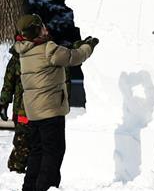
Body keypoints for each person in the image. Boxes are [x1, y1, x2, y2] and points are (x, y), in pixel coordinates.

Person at [14, 14, 99, 191]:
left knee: (37, 152)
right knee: (53, 152)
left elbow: (62, 55)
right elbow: (73, 57)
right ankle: (45, 187)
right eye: (42, 26)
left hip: (34, 111)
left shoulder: (25, 50)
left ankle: (29, 187)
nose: (46, 28)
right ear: (37, 30)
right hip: (50, 111)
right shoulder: (48, 49)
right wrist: (88, 46)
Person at [0, 40, 31, 173]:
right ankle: (15, 170)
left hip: (40, 107)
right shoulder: (17, 57)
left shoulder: (45, 51)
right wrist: (4, 103)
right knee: (22, 140)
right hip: (21, 109)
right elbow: (8, 82)